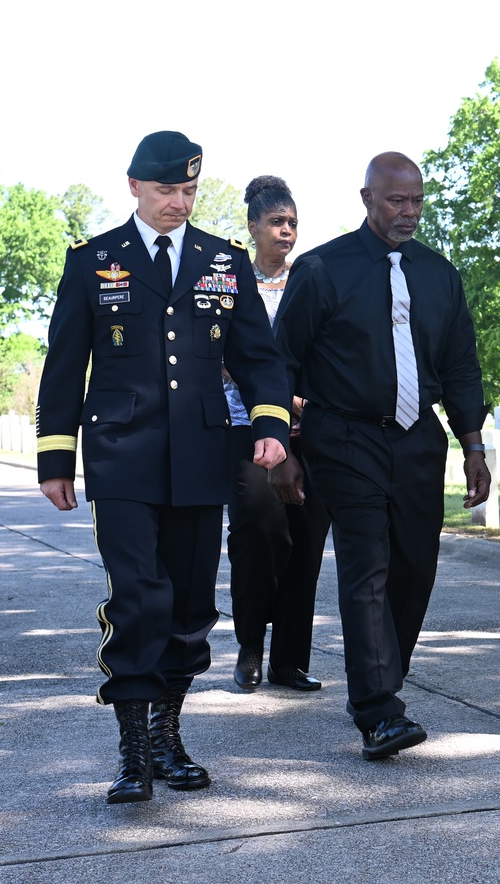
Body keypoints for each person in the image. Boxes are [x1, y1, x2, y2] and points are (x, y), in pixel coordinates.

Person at [36, 131, 291, 804]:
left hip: (202, 457)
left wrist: (270, 425)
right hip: (122, 459)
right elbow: (65, 366)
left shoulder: (222, 260)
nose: (179, 202)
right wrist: (56, 456)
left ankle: (167, 733)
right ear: (133, 187)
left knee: (187, 604)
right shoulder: (94, 261)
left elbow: (260, 356)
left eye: (188, 190)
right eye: (166, 190)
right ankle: (133, 748)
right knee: (138, 598)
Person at [271, 152, 491, 761]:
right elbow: (281, 360)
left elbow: (460, 368)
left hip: (418, 439)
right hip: (342, 437)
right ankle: (379, 709)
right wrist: (285, 446)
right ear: (366, 199)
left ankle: (381, 681)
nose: (409, 213)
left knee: (415, 566)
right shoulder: (321, 270)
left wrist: (472, 444)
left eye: (418, 201)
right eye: (397, 201)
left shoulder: (440, 275)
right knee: (366, 565)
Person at [224, 176, 330, 694]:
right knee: (257, 532)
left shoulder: (310, 279)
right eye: (276, 222)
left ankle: (290, 659)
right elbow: (225, 357)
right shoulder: (230, 281)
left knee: (307, 540)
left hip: (310, 427)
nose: (286, 231)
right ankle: (250, 648)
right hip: (244, 425)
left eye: (292, 223)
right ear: (252, 227)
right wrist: (271, 392)